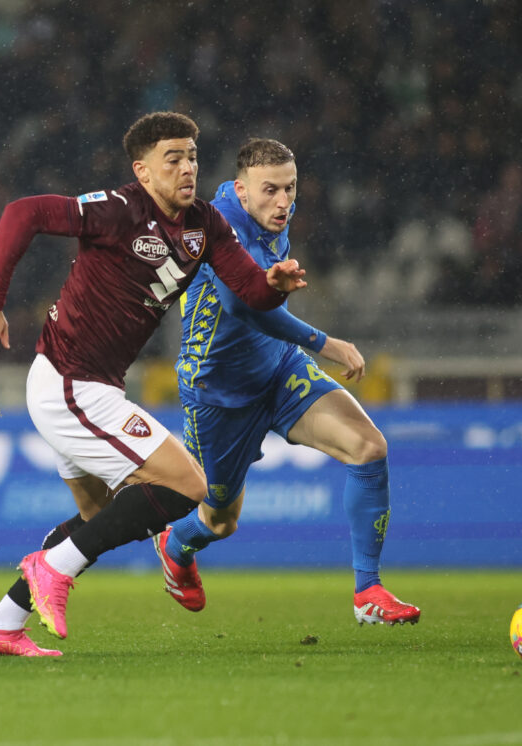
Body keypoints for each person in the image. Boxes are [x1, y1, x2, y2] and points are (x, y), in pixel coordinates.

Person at [0, 112, 306, 657]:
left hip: (90, 387)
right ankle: (52, 569)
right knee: (189, 485)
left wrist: (273, 286)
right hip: (70, 385)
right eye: (174, 158)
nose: (188, 167)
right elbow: (23, 213)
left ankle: (0, 625)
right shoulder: (119, 211)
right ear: (142, 171)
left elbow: (250, 293)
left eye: (192, 156)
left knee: (97, 517)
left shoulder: (206, 226)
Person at [153, 138, 420, 626]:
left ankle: (368, 592)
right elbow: (241, 305)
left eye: (290, 189)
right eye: (271, 190)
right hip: (219, 393)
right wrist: (325, 343)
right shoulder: (215, 224)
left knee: (369, 448)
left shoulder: (273, 213)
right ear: (241, 189)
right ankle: (176, 544)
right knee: (220, 520)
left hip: (279, 369)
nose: (283, 202)